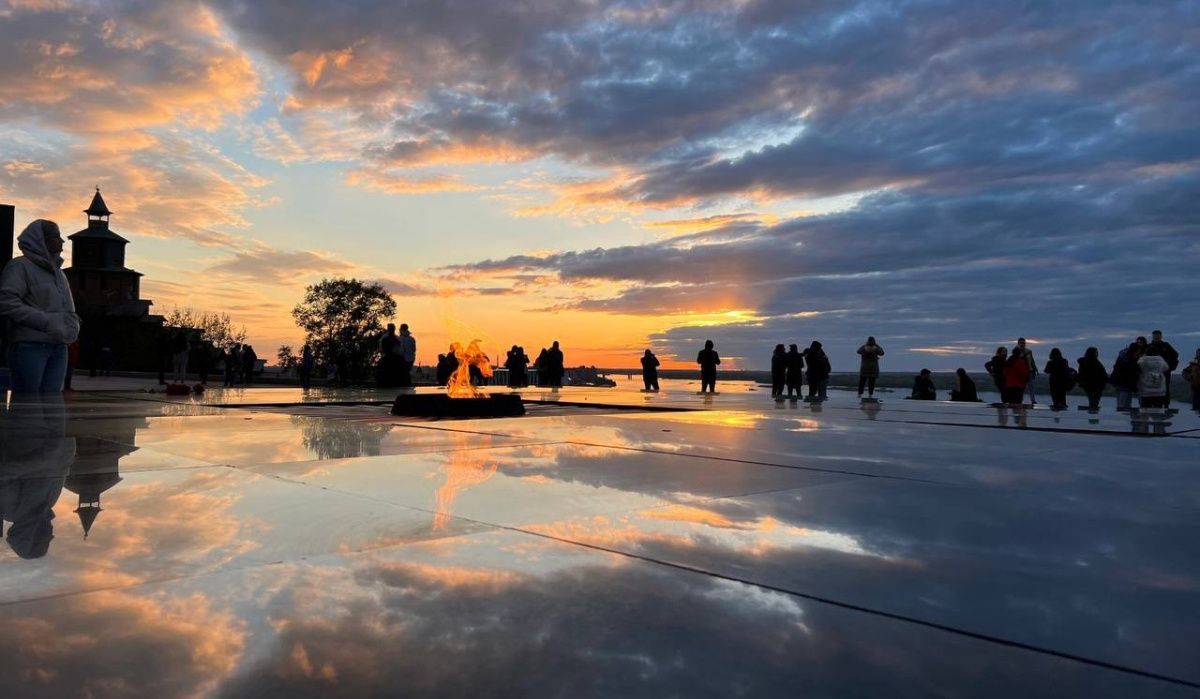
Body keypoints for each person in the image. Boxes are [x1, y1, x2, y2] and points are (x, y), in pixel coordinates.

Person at [0, 220, 80, 393]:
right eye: (56, 236)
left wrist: (72, 325)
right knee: (27, 406)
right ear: (40, 239)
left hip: (59, 346)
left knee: (52, 407)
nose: (62, 241)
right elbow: (6, 302)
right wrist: (46, 322)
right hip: (29, 346)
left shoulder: (59, 273)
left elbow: (66, 307)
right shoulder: (20, 266)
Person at [1149, 330, 1179, 405]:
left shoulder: (1166, 345)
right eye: (1155, 336)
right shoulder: (1149, 347)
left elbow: (1175, 355)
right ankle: (1154, 405)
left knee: (1165, 389)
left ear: (1161, 336)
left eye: (1158, 336)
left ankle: (1166, 406)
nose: (1156, 337)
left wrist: (1169, 367)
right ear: (1153, 337)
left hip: (1164, 372)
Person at [1109, 342, 1140, 410]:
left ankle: (1120, 417)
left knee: (1121, 404)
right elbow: (1131, 372)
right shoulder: (1130, 359)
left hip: (1119, 383)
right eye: (1138, 350)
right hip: (1125, 384)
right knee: (1124, 405)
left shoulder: (1122, 357)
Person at [1016, 337, 1038, 404]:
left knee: (1031, 387)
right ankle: (1020, 400)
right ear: (1018, 343)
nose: (1023, 344)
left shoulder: (1029, 351)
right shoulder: (1016, 351)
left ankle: (1033, 400)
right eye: (1021, 343)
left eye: (1024, 343)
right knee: (1021, 387)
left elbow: (1032, 361)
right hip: (1022, 372)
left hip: (1030, 371)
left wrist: (1035, 369)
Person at [398, 323, 416, 388]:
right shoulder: (412, 339)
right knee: (407, 373)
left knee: (403, 374)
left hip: (403, 359)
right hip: (411, 359)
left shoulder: (400, 338)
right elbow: (414, 349)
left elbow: (401, 351)